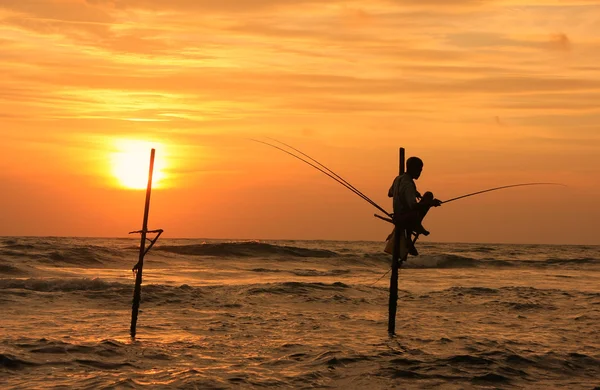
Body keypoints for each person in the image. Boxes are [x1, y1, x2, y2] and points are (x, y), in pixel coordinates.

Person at [387, 156, 441, 255]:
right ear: (412, 169)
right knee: (429, 195)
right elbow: (413, 206)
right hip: (405, 218)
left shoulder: (399, 178)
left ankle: (412, 234)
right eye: (419, 170)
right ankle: (414, 230)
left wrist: (414, 193)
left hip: (397, 215)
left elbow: (390, 193)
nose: (420, 173)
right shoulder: (409, 184)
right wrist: (431, 203)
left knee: (424, 199)